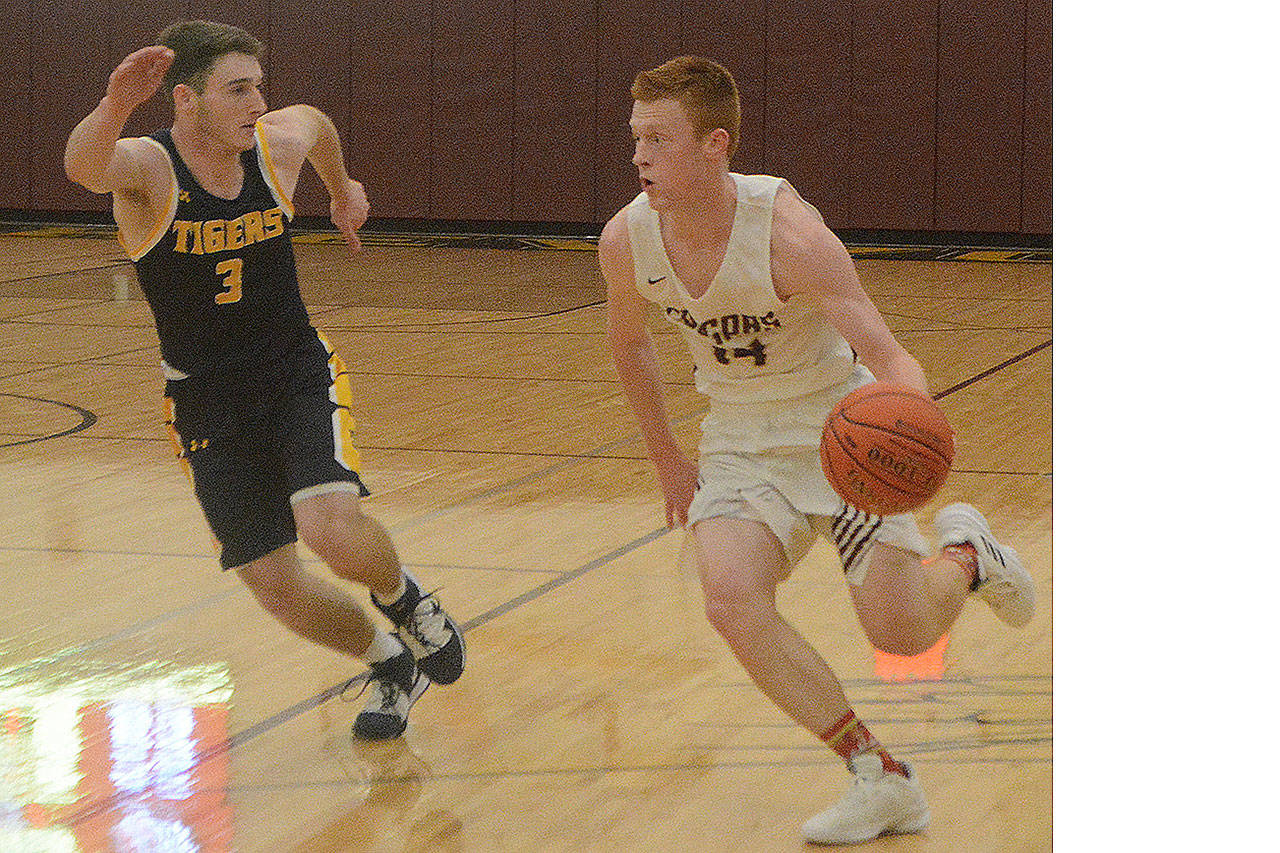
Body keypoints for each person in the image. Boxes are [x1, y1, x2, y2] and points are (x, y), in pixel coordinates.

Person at [598, 56, 1036, 845]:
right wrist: (666, 456)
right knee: (730, 596)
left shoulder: (790, 234)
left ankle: (969, 553)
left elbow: (889, 352)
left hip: (839, 432)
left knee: (901, 633)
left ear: (714, 145)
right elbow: (630, 347)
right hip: (738, 440)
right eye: (636, 139)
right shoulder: (627, 241)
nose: (638, 157)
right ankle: (880, 773)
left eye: (658, 140)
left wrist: (919, 419)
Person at [64, 20, 465, 741]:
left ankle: (404, 600)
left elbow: (316, 123)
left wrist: (344, 191)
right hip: (204, 398)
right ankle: (388, 664)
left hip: (294, 373)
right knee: (274, 585)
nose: (257, 103)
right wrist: (117, 100)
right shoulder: (152, 169)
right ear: (187, 100)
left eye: (259, 86)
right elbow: (86, 166)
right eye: (237, 89)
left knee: (328, 526)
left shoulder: (272, 147)